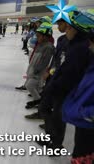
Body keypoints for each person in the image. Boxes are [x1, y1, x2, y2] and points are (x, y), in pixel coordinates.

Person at [38, 10, 92, 152]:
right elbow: (58, 61)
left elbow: (71, 72)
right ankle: (52, 137)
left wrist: (54, 85)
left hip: (64, 88)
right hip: (55, 81)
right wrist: (49, 73)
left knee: (57, 116)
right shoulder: (64, 41)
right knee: (47, 110)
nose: (61, 28)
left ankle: (56, 143)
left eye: (65, 25)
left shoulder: (80, 47)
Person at [63, 24, 94, 163]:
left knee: (83, 155)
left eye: (92, 43)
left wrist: (85, 113)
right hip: (83, 121)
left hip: (88, 122)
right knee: (79, 152)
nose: (89, 46)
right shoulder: (92, 63)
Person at [25, 22, 55, 108]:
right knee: (37, 88)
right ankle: (38, 101)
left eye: (38, 36)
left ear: (45, 36)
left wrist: (37, 70)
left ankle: (38, 100)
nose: (37, 38)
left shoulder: (48, 47)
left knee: (29, 85)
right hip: (34, 69)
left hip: (39, 71)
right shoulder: (40, 45)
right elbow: (35, 57)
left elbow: (45, 61)